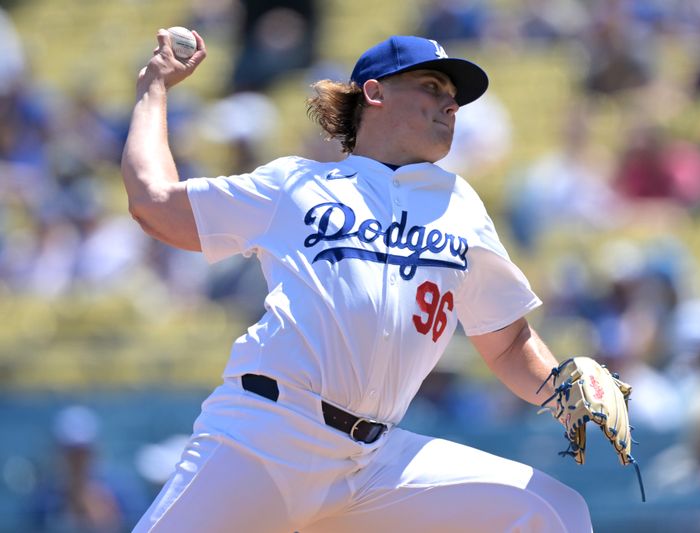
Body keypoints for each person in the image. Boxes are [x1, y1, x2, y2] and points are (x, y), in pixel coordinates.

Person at [122, 30, 596, 532]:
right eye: (433, 87)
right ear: (375, 92)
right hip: (269, 437)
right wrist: (154, 88)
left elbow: (506, 343)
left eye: (453, 98)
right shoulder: (296, 186)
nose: (450, 104)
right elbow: (154, 203)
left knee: (553, 511)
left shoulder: (459, 205)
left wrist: (563, 390)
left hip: (374, 462)